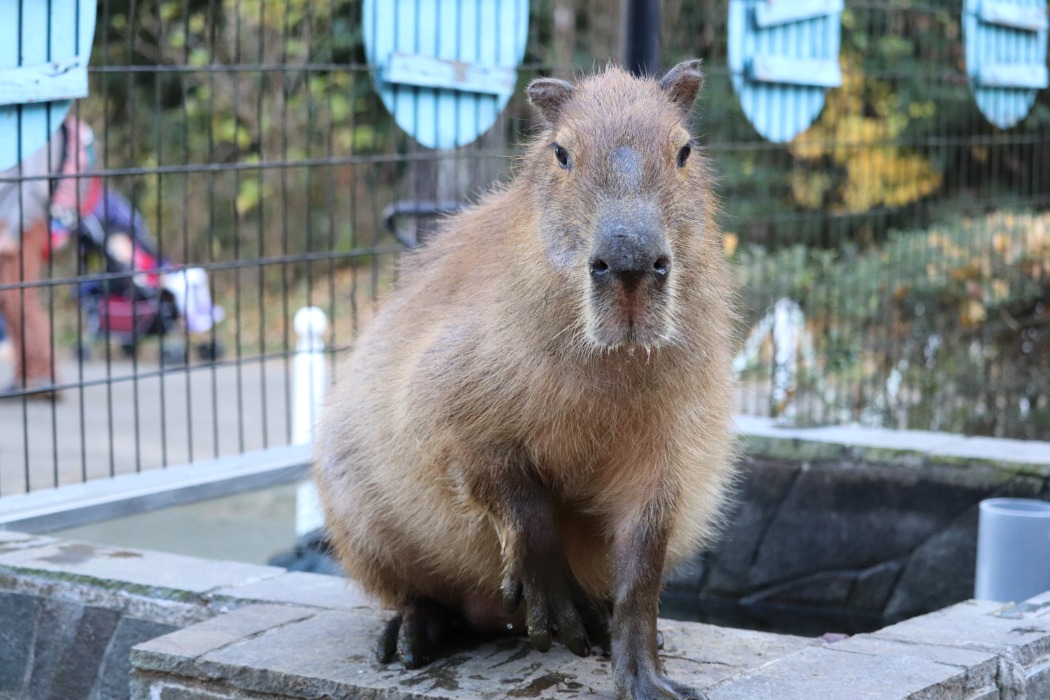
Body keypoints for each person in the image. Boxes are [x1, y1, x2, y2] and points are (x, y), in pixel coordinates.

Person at [0, 114, 99, 400]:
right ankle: (27, 375)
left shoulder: (38, 125)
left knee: (20, 298)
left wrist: (15, 231)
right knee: (10, 299)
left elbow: (34, 185)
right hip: (11, 220)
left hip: (19, 223)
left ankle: (44, 375)